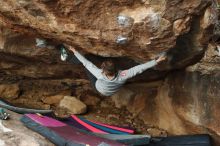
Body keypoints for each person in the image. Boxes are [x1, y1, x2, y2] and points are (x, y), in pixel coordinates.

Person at [60, 45, 166, 96]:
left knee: (88, 62)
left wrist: (74, 51)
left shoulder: (99, 74)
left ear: (103, 71)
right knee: (89, 63)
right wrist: (156, 62)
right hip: (111, 92)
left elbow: (86, 63)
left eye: (102, 68)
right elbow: (139, 68)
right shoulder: (123, 75)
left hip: (98, 88)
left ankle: (67, 58)